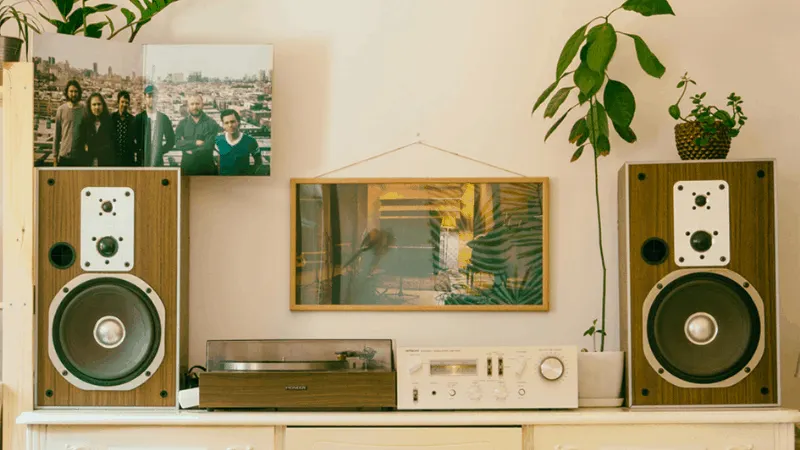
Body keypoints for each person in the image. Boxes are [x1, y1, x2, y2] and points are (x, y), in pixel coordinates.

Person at [174, 93, 221, 175]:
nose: (195, 107)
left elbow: (208, 145)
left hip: (206, 168)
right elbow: (177, 143)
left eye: (197, 104)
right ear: (188, 106)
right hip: (187, 168)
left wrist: (190, 151)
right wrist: (195, 143)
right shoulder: (182, 123)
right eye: (192, 104)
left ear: (202, 105)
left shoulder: (211, 123)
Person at [133, 84, 174, 167]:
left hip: (158, 161)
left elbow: (171, 140)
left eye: (154, 96)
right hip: (141, 161)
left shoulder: (163, 119)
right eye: (149, 96)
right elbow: (131, 138)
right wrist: (140, 150)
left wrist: (160, 150)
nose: (152, 99)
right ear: (145, 98)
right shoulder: (138, 118)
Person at [215, 109, 261, 176]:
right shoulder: (218, 140)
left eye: (232, 122)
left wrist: (250, 175)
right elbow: (217, 161)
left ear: (238, 122)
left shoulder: (250, 141)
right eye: (226, 123)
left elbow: (258, 162)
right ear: (223, 125)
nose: (230, 125)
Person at [53, 80, 88, 166]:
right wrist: (55, 156)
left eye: (76, 91)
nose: (73, 94)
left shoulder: (84, 109)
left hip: (80, 156)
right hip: (64, 155)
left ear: (79, 93)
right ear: (67, 93)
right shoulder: (61, 110)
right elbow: (56, 135)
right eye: (71, 91)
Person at [83, 92, 115, 166]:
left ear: (103, 106)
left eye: (99, 104)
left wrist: (91, 150)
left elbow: (110, 145)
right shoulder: (85, 123)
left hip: (106, 164)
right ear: (89, 107)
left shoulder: (110, 122)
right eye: (94, 104)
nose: (97, 107)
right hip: (89, 163)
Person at [111, 90, 137, 166]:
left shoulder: (133, 120)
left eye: (126, 102)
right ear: (118, 103)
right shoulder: (111, 118)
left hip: (128, 159)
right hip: (114, 159)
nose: (124, 104)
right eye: (122, 102)